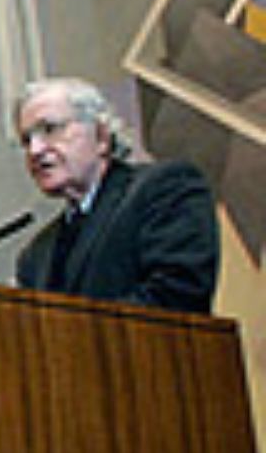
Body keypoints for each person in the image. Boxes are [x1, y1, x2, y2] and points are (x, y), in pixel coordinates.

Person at [13, 77, 220, 313]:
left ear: (101, 137)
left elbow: (178, 294)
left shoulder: (164, 188)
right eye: (26, 140)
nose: (35, 150)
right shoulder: (35, 256)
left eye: (49, 130)